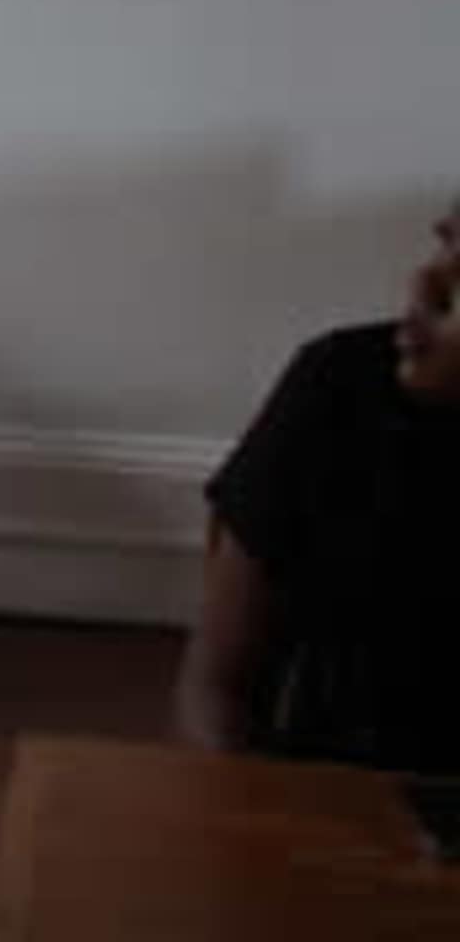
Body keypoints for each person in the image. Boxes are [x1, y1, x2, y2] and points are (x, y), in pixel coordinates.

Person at [175, 203, 460, 771]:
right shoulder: (338, 386)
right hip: (340, 804)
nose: (423, 284)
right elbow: (214, 690)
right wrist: (254, 808)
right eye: (446, 243)